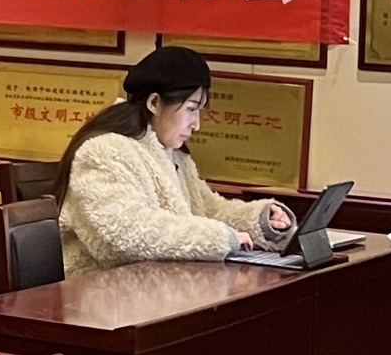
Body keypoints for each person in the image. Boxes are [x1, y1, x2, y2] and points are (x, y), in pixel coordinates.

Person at [56, 46, 293, 275]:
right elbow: (128, 232)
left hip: (152, 286)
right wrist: (219, 238)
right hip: (96, 291)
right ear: (154, 103)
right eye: (191, 109)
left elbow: (207, 210)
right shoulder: (104, 151)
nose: (196, 124)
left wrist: (260, 221)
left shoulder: (172, 153)